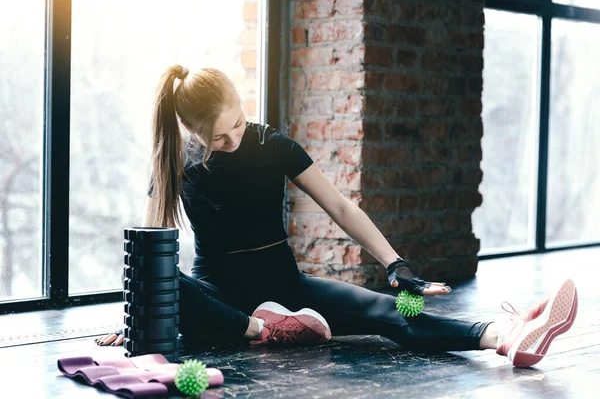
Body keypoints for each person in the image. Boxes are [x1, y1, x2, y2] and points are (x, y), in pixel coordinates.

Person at [95, 66, 578, 367]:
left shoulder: (271, 144)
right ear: (190, 130)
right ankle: (262, 330)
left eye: (238, 125)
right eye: (218, 139)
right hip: (218, 291)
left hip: (286, 287)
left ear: (242, 106)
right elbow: (152, 254)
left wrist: (394, 263)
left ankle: (505, 336)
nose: (234, 141)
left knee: (382, 310)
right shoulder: (175, 162)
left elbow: (342, 207)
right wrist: (142, 314)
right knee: (151, 275)